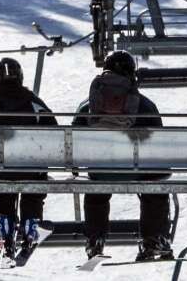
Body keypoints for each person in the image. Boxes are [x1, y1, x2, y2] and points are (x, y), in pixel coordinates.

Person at [73, 51, 173, 262]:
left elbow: (73, 141)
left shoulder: (88, 106)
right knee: (155, 186)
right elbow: (159, 144)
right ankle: (153, 238)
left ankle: (95, 239)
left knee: (96, 189)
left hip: (101, 173)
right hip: (137, 172)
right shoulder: (145, 105)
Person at [0, 57, 57, 262]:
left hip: (0, 169)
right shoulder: (33, 103)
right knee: (33, 191)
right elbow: (54, 131)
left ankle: (5, 227)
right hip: (31, 168)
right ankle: (30, 225)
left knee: (1, 192)